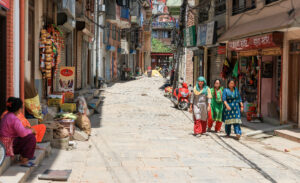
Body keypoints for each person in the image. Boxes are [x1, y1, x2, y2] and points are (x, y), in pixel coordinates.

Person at [0, 97, 36, 167]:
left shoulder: (6, 116)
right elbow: (23, 134)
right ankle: (25, 160)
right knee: (31, 138)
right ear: (19, 109)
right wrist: (31, 130)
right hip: (9, 145)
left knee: (27, 135)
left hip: (4, 143)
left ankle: (23, 156)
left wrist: (27, 130)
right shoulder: (14, 119)